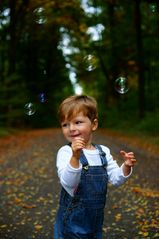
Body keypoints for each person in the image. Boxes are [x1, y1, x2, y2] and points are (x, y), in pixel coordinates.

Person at [54, 94, 136, 239]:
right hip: (72, 222)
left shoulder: (103, 152)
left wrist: (126, 166)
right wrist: (75, 157)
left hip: (95, 222)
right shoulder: (66, 152)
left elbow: (116, 179)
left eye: (78, 122)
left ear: (94, 125)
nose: (71, 128)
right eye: (65, 124)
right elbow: (68, 183)